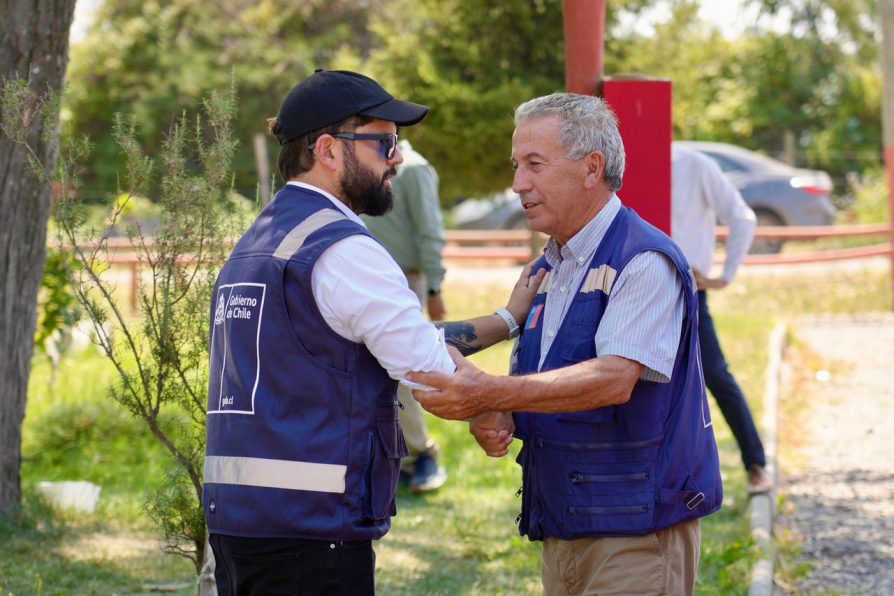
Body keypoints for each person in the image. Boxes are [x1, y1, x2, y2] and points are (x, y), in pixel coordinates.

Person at [202, 69, 543, 595]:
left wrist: (506, 320)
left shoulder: (262, 241)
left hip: (241, 523)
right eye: (384, 142)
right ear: (328, 150)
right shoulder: (343, 248)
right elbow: (428, 368)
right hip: (311, 536)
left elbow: (384, 338)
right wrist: (493, 407)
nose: (397, 159)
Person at [409, 92, 723, 595]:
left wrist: (491, 394)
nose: (517, 184)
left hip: (637, 531)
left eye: (535, 164)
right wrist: (505, 413)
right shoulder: (552, 265)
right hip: (569, 523)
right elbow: (551, 374)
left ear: (591, 167)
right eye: (516, 165)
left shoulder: (643, 260)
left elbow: (613, 378)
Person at [671, 142, 772, 495]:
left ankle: (756, 464)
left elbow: (742, 217)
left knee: (715, 375)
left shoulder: (693, 164)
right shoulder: (615, 165)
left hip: (687, 292)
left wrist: (724, 276)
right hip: (629, 292)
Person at [361, 140, 449, 494]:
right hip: (362, 279)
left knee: (407, 370)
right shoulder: (360, 167)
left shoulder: (413, 169)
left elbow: (430, 230)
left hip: (404, 280)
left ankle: (422, 456)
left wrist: (435, 287)